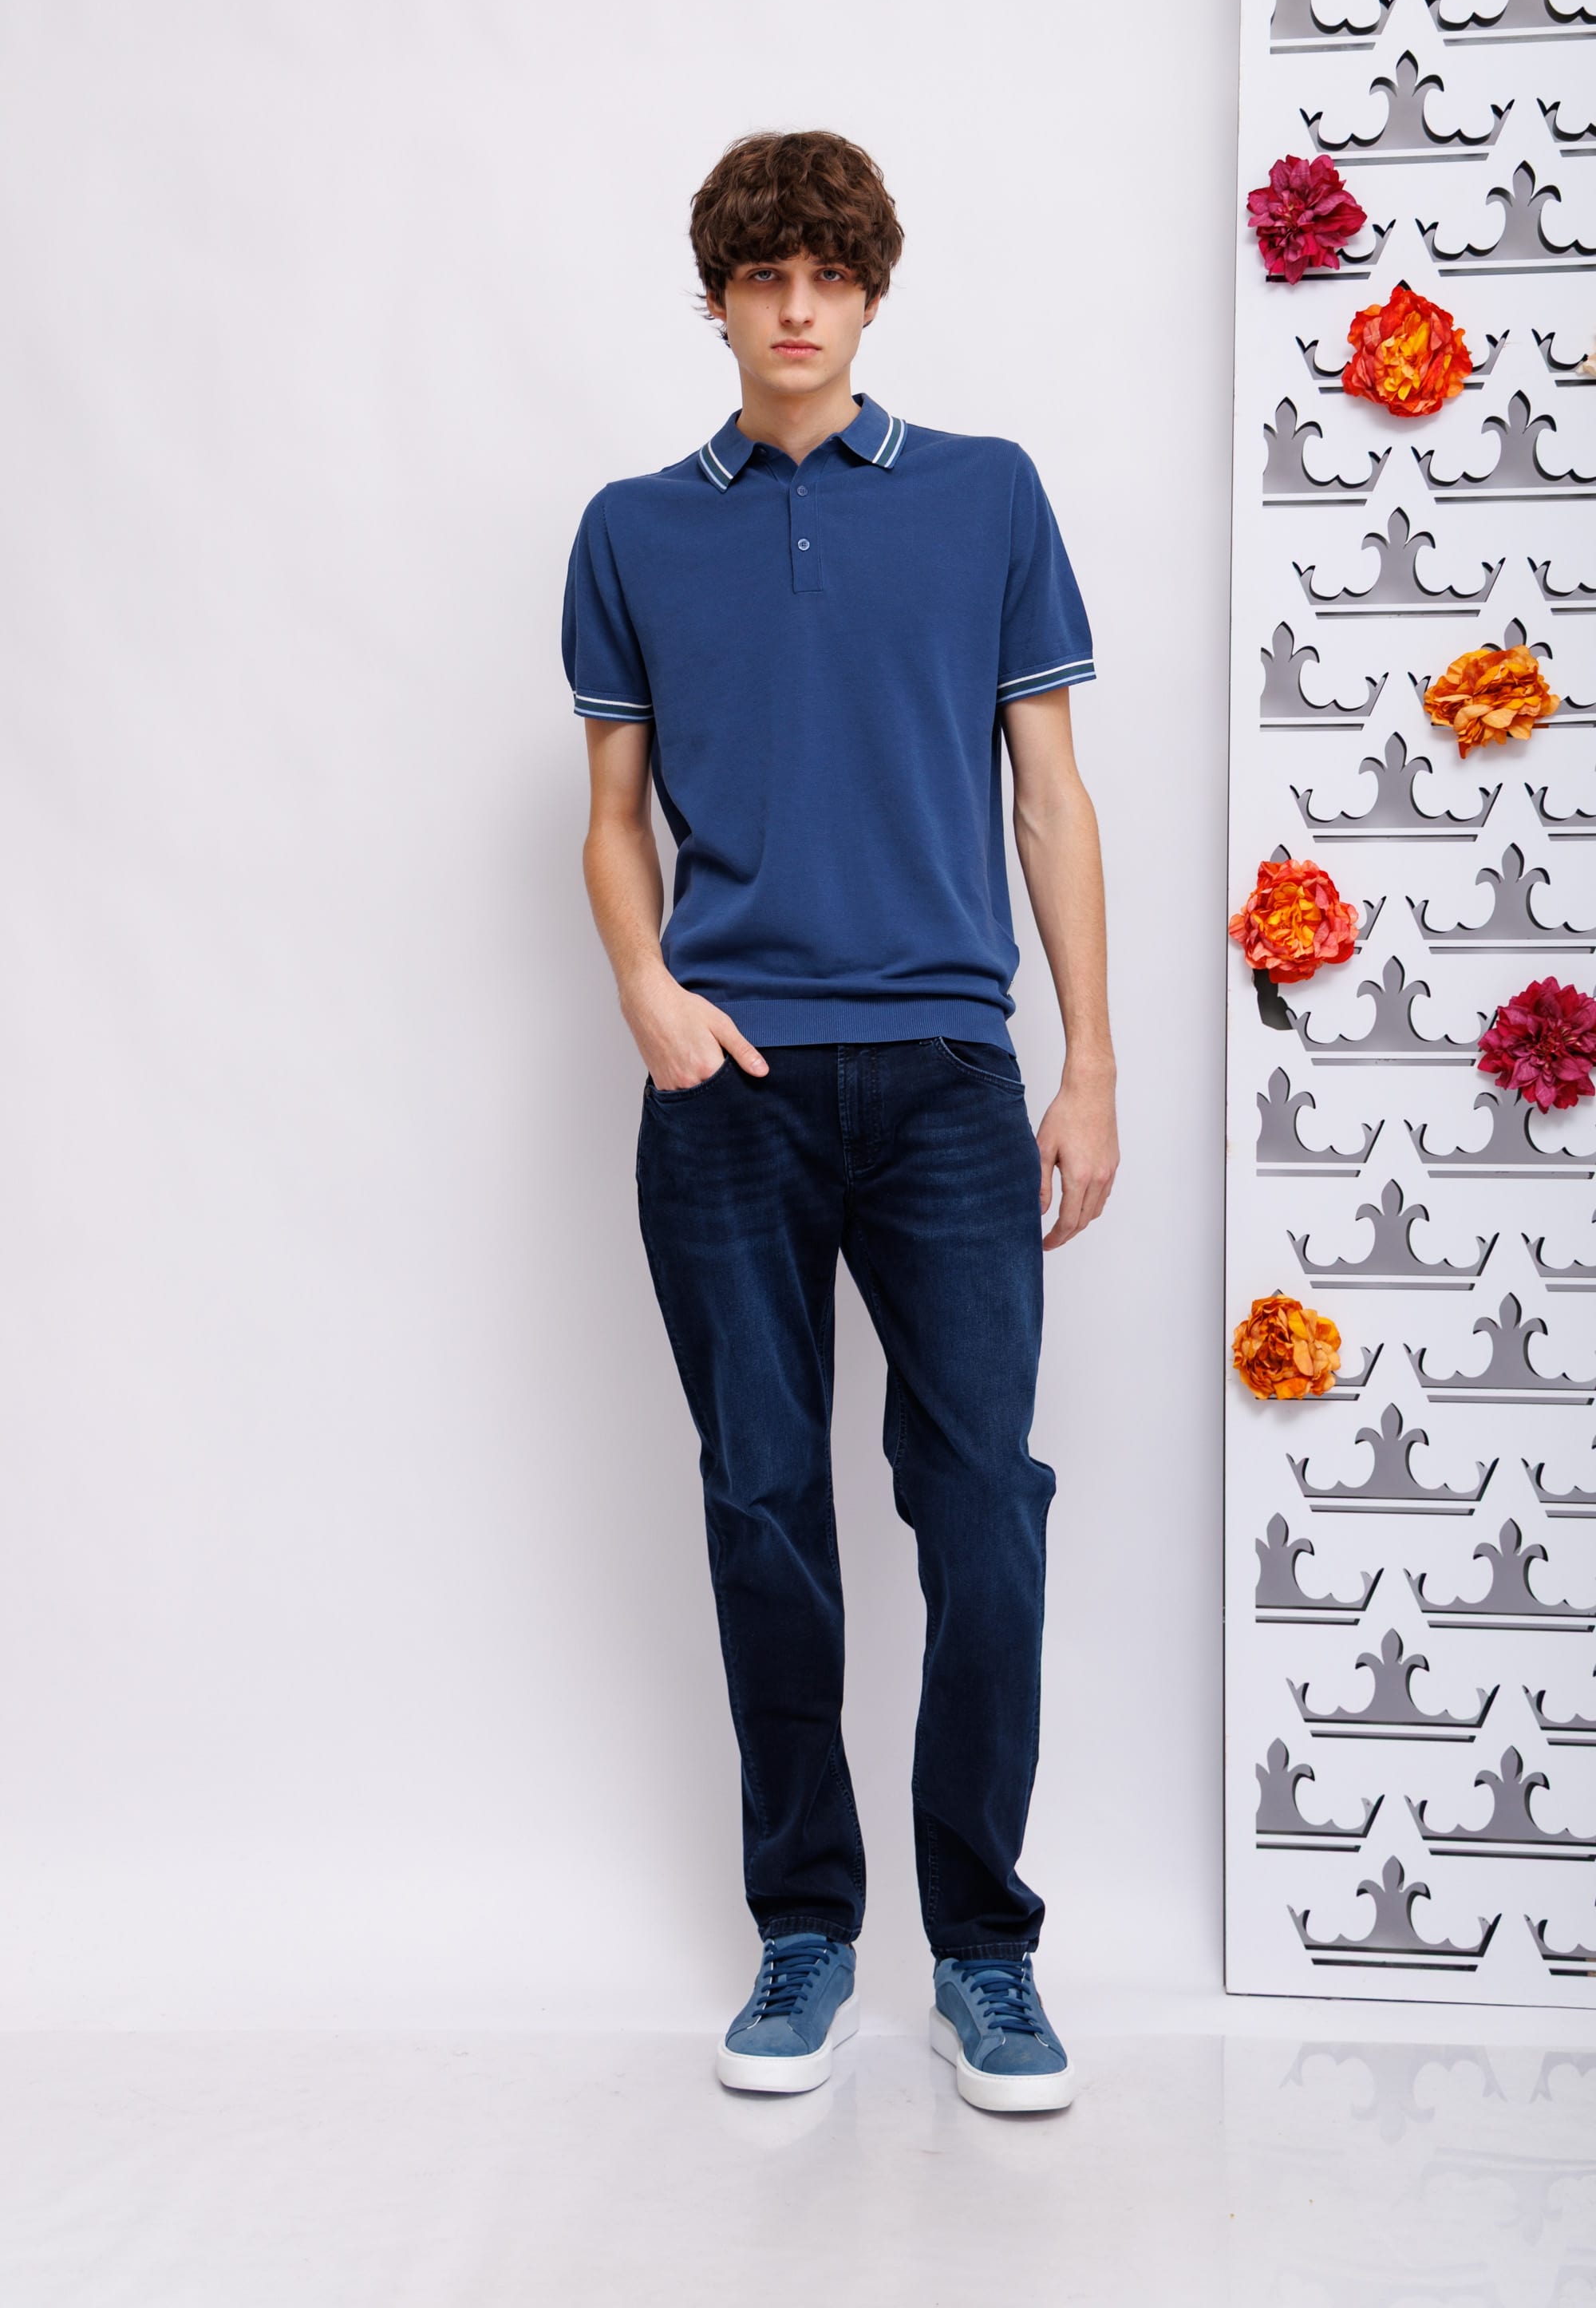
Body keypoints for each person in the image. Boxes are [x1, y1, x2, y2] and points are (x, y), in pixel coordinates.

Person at [563, 130, 1117, 2113]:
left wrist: (1087, 1062)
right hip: (728, 1086)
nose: (795, 306)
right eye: (761, 275)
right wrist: (647, 994)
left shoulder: (986, 495)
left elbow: (1048, 794)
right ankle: (803, 1927)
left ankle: (984, 1952)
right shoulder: (632, 530)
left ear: (871, 293)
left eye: (828, 274)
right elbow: (612, 817)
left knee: (980, 1508)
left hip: (951, 1077)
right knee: (761, 1504)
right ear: (717, 298)